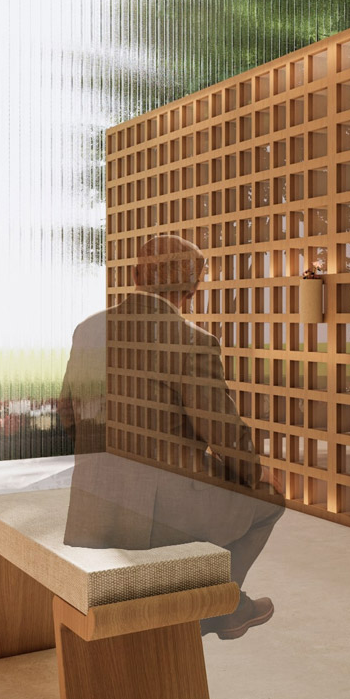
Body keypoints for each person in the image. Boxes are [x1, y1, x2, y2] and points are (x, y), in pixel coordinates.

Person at [57, 233, 283, 639]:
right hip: (157, 517)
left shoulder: (87, 329)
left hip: (91, 503)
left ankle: (215, 603)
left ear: (135, 275)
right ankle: (215, 608)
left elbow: (68, 419)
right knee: (268, 501)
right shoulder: (192, 341)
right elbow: (224, 433)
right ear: (191, 292)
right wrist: (254, 476)